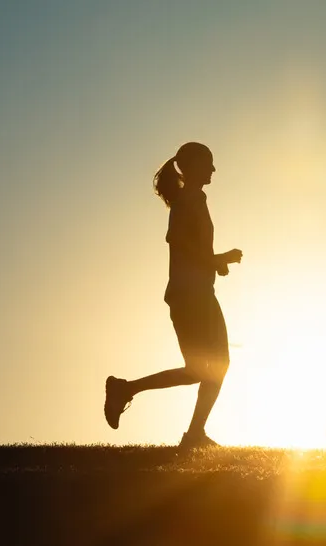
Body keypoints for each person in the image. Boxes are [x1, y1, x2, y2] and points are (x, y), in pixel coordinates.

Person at [103, 142, 242, 449]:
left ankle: (128, 392)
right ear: (192, 167)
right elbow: (177, 240)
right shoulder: (189, 198)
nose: (214, 170)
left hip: (194, 294)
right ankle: (191, 434)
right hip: (192, 296)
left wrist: (215, 262)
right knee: (211, 367)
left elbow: (190, 249)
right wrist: (220, 259)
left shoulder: (193, 198)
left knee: (203, 369)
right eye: (209, 164)